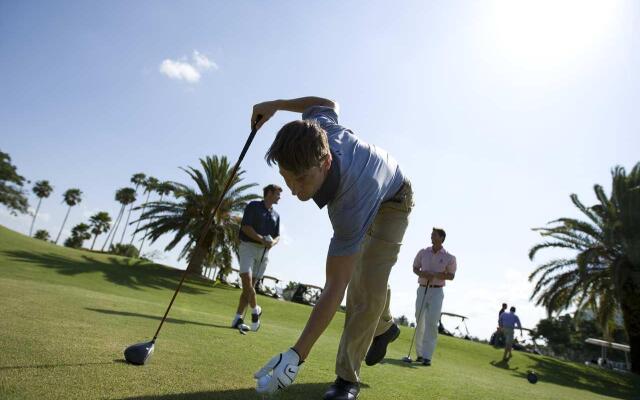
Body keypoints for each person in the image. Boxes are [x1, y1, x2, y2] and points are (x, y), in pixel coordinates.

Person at [251, 97, 412, 400]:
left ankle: (346, 380)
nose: (295, 189)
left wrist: (297, 355)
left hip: (394, 201)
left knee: (365, 284)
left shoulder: (349, 205)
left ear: (324, 162)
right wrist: (275, 105)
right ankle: (385, 327)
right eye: (287, 179)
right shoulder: (318, 127)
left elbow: (335, 285)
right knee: (363, 275)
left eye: (302, 179)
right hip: (371, 183)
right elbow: (328, 102)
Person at [231, 184, 282, 332]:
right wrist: (261, 239)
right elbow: (246, 227)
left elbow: (278, 236)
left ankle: (237, 318)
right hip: (248, 247)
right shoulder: (253, 206)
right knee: (247, 282)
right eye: (277, 194)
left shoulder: (276, 215)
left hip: (264, 252)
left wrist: (273, 242)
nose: (279, 197)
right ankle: (255, 311)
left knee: (249, 288)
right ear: (269, 193)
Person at [412, 228, 457, 366]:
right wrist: (423, 274)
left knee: (431, 323)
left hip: (437, 291)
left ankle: (427, 356)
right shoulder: (423, 252)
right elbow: (415, 268)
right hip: (422, 289)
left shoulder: (450, 257)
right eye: (431, 234)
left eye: (434, 235)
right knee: (419, 321)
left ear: (442, 238)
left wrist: (436, 275)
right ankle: (419, 354)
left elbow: (451, 276)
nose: (431, 236)